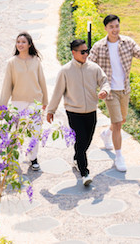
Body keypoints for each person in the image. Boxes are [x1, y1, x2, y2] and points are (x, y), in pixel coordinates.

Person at [89, 14, 140, 172]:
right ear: (106, 28)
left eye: (117, 26)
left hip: (124, 89)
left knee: (121, 120)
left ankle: (106, 133)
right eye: (111, 27)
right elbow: (89, 65)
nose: (115, 29)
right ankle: (119, 156)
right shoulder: (98, 46)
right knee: (117, 124)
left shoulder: (127, 42)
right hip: (109, 91)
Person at [46, 39, 110, 186]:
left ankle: (77, 158)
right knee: (81, 140)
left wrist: (105, 90)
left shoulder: (93, 68)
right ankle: (84, 172)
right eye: (82, 52)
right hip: (74, 112)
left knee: (87, 140)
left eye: (87, 51)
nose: (86, 54)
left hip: (91, 111)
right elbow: (57, 92)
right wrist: (51, 110)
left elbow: (104, 81)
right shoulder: (65, 71)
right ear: (73, 52)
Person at [0, 32, 49, 171]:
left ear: (29, 44)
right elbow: (7, 85)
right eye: (18, 42)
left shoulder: (36, 61)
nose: (20, 44)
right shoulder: (12, 62)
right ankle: (14, 157)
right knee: (16, 132)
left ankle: (33, 158)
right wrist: (2, 105)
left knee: (35, 131)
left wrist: (45, 101)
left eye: (23, 42)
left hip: (35, 101)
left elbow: (42, 81)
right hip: (18, 102)